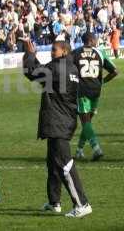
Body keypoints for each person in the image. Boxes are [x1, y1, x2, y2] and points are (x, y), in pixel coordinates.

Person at [23, 38, 92, 218]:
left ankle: (82, 204)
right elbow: (43, 73)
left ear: (65, 51)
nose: (52, 52)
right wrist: (33, 57)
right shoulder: (70, 67)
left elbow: (31, 72)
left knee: (64, 164)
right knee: (53, 163)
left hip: (58, 121)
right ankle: (55, 202)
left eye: (54, 50)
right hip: (65, 119)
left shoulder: (56, 68)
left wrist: (30, 54)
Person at [72, 32, 118, 161]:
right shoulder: (99, 53)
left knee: (85, 122)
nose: (97, 40)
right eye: (95, 39)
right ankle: (79, 150)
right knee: (88, 123)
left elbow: (67, 70)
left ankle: (96, 149)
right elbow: (115, 72)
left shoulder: (75, 53)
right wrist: (102, 81)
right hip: (96, 90)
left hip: (82, 90)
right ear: (91, 40)